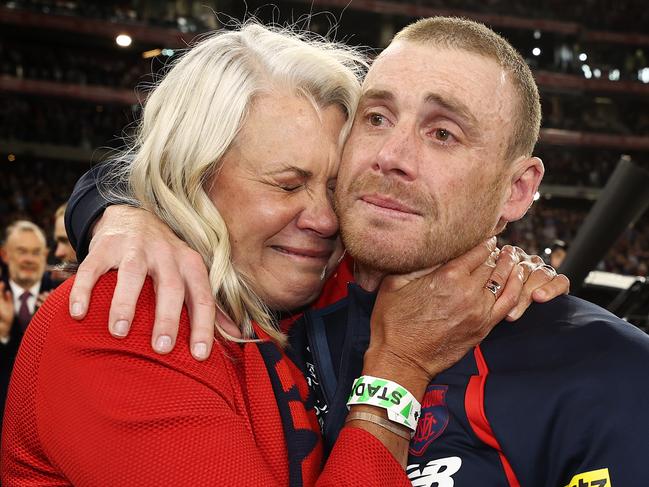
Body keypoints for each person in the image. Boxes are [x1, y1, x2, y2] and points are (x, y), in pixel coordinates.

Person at [56, 17, 649, 486]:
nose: (391, 154)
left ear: (518, 189)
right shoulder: (168, 304)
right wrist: (118, 208)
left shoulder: (610, 374)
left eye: (443, 132)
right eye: (377, 116)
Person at [0, 220, 55, 439]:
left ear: (45, 255)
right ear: (5, 255)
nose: (29, 260)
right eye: (21, 251)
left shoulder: (64, 295)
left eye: (36, 253)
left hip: (47, 423)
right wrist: (3, 333)